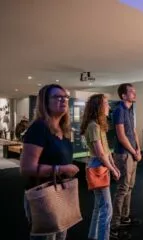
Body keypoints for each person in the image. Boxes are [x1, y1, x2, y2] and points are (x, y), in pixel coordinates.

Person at [20, 84, 80, 240]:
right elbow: (26, 168)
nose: (63, 100)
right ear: (45, 102)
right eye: (57, 97)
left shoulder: (63, 129)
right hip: (43, 194)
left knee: (61, 234)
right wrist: (61, 168)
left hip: (61, 191)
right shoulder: (39, 128)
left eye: (65, 97)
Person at [80, 94, 120, 240]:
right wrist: (113, 168)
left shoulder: (98, 125)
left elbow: (106, 149)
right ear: (98, 106)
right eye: (105, 103)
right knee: (107, 208)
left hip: (100, 165)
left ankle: (93, 236)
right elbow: (100, 154)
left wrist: (113, 164)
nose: (108, 106)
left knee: (100, 206)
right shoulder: (94, 126)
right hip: (98, 166)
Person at [111, 83, 142, 238]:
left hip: (132, 153)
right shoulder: (118, 111)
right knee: (122, 188)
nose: (134, 94)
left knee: (129, 187)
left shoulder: (130, 110)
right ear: (123, 95)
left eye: (134, 91)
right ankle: (114, 225)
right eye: (131, 92)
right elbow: (121, 136)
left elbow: (134, 132)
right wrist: (133, 152)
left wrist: (138, 149)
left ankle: (125, 217)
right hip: (123, 154)